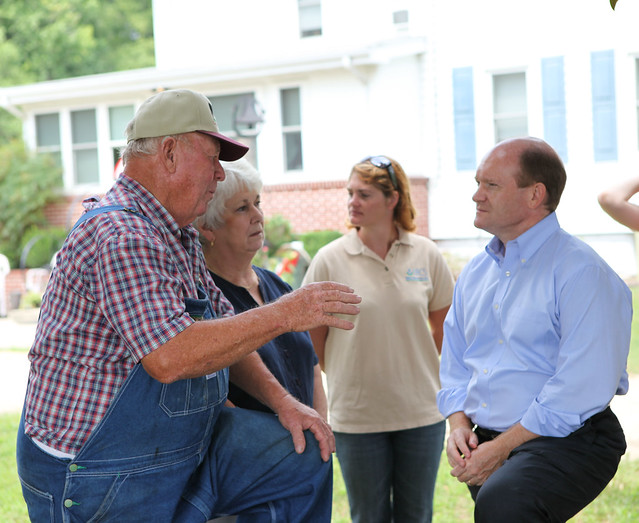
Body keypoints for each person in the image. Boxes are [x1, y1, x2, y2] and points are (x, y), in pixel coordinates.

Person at [16, 89, 361, 523]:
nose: (220, 175)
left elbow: (223, 331)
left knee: (304, 453)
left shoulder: (176, 234)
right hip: (98, 471)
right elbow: (170, 355)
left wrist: (283, 402)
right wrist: (288, 312)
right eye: (213, 158)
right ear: (170, 153)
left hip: (175, 445)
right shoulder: (120, 234)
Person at [437, 137, 630, 522]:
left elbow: (579, 388)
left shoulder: (582, 272)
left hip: (572, 437)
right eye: (478, 183)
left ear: (534, 195)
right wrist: (458, 422)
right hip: (492, 438)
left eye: (491, 185)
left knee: (503, 506)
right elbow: (456, 358)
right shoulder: (476, 272)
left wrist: (503, 447)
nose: (477, 195)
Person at [303, 155, 455, 523]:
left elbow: (443, 331)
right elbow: (313, 339)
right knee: (368, 517)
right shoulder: (329, 260)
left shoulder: (426, 253)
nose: (352, 201)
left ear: (393, 200)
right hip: (357, 418)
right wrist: (347, 370)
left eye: (364, 194)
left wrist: (413, 367)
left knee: (416, 515)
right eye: (351, 193)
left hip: (421, 413)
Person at [195, 158, 327, 419]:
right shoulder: (203, 298)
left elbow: (311, 364)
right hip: (253, 451)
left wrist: (321, 428)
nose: (258, 216)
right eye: (242, 208)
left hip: (306, 447)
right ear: (208, 226)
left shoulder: (277, 285)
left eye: (257, 203)